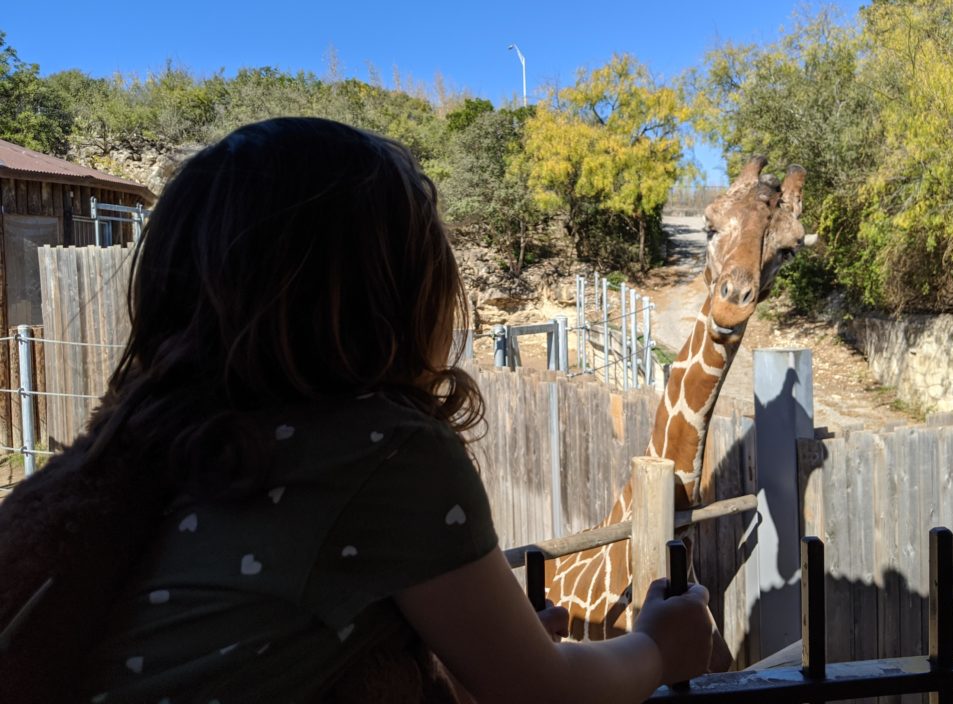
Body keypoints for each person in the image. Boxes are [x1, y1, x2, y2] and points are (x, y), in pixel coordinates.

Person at [0, 117, 713, 703]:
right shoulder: (386, 453)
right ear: (398, 300)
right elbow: (542, 690)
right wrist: (655, 648)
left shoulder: (158, 443)